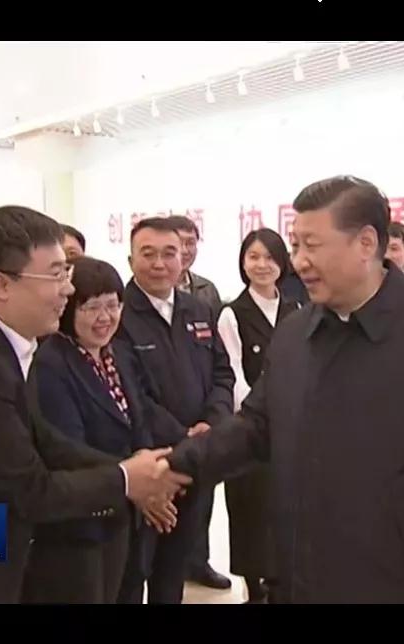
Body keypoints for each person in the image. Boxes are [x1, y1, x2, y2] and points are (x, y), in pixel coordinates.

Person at [167, 175, 404, 604]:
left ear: (366, 243)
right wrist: (173, 465)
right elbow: (257, 425)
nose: (298, 262)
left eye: (312, 246)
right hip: (299, 582)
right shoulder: (296, 334)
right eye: (295, 246)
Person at [0, 205, 191, 604]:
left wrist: (131, 469)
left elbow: (40, 438)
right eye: (57, 275)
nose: (68, 290)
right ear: (2, 284)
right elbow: (30, 489)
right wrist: (125, 479)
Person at [22, 257, 187, 604]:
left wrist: (151, 473)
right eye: (92, 307)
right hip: (81, 526)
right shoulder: (51, 363)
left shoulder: (119, 354)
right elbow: (66, 447)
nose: (105, 317)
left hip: (127, 521)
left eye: (112, 305)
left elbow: (140, 418)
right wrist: (135, 483)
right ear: (70, 309)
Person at [116, 217, 235, 604]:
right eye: (147, 254)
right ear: (131, 259)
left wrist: (212, 422)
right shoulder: (118, 314)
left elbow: (222, 372)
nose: (159, 263)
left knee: (174, 569)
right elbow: (131, 393)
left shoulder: (198, 308)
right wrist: (182, 435)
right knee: (132, 572)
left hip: (194, 463)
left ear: (183, 258)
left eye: (169, 253)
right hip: (145, 465)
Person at [215, 228, 298, 603]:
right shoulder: (232, 314)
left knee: (284, 506)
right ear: (243, 263)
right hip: (251, 427)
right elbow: (232, 373)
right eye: (253, 257)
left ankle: (282, 579)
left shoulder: (297, 310)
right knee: (250, 508)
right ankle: (253, 583)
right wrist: (265, 412)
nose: (262, 265)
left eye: (269, 257)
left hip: (292, 428)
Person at [166, 214, 230, 590]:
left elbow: (220, 367)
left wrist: (213, 418)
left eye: (188, 244)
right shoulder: (125, 307)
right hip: (158, 438)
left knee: (200, 504)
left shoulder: (203, 297)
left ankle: (196, 561)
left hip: (202, 428)